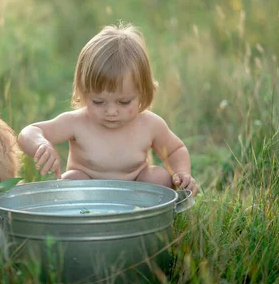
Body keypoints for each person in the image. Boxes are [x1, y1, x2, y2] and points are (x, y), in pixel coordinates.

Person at [17, 23, 199, 196]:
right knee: (71, 180)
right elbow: (29, 132)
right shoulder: (77, 123)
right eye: (98, 101)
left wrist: (181, 174)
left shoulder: (150, 125)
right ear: (83, 92)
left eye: (124, 102)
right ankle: (79, 222)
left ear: (143, 94)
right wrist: (41, 144)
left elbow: (175, 150)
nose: (111, 111)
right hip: (88, 200)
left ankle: (143, 220)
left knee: (158, 176)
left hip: (135, 197)